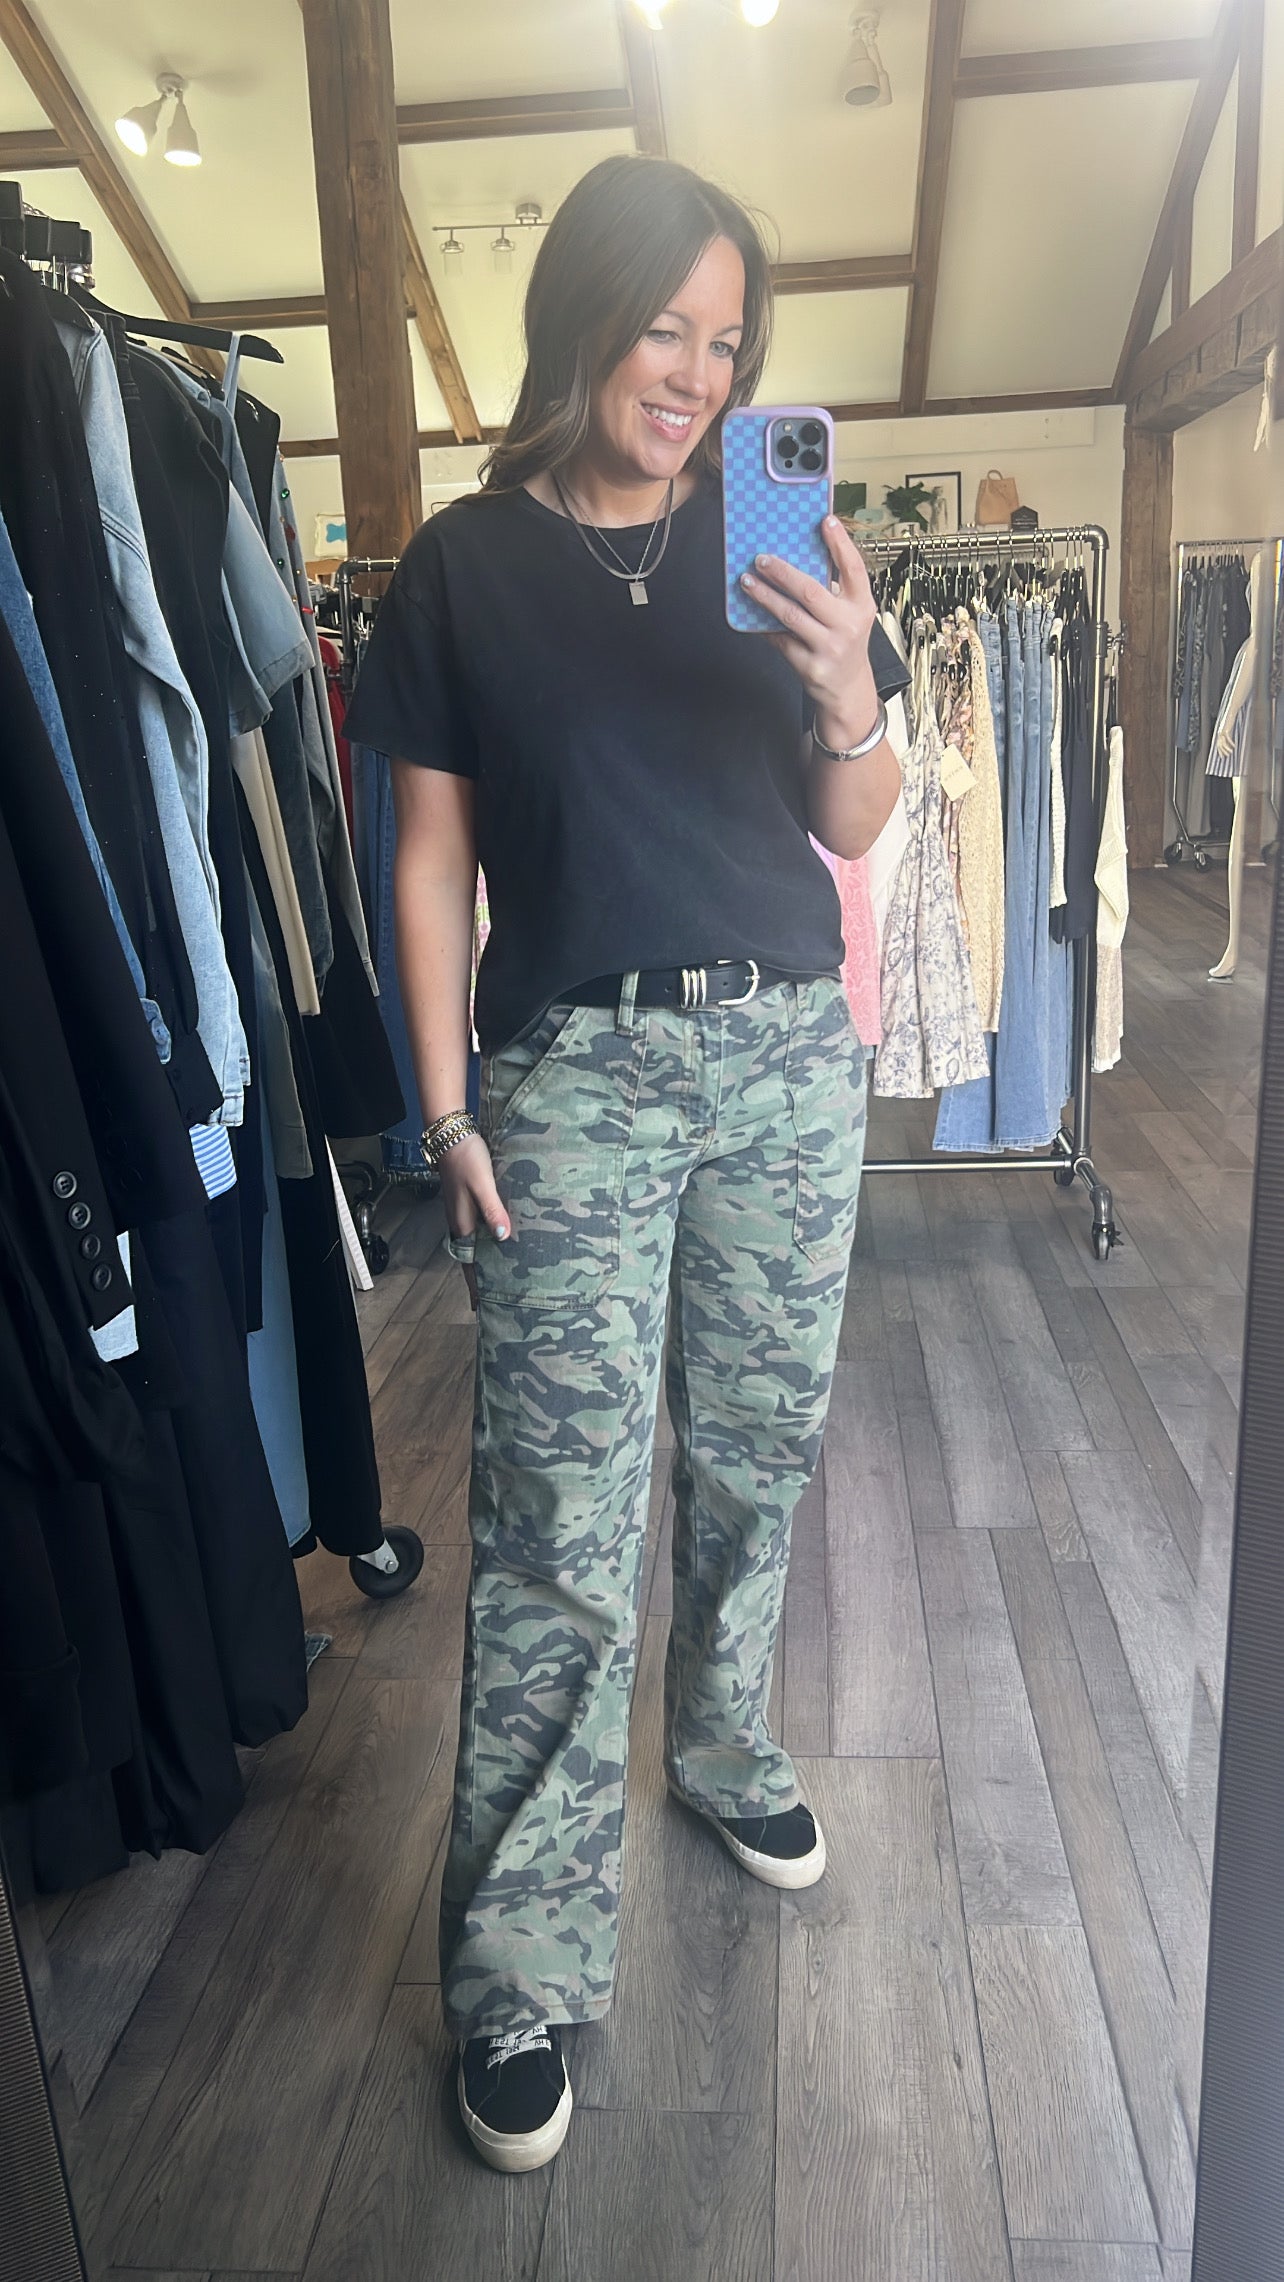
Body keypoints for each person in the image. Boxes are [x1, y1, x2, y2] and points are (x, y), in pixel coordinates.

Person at [344, 151, 907, 2175]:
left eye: (727, 339)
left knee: (757, 1451)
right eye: (663, 327)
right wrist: (444, 1108)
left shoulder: (787, 538)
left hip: (784, 1056)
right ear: (581, 318)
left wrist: (850, 688)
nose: (695, 373)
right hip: (571, 1073)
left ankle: (727, 1741)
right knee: (557, 1527)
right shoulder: (464, 568)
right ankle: (517, 1960)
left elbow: (855, 823)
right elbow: (429, 859)